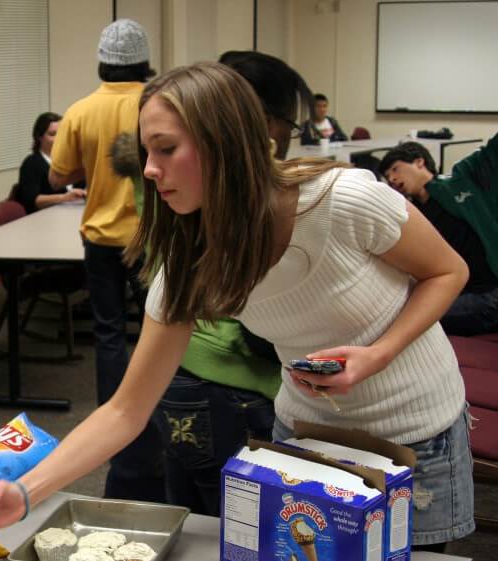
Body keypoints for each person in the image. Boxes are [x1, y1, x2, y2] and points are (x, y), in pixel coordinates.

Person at [0, 63, 498, 561]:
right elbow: (126, 409)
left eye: (166, 149)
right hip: (311, 440)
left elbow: (446, 271)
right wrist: (27, 493)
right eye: (146, 153)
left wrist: (378, 353)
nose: (151, 170)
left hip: (415, 432)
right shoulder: (191, 258)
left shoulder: (342, 200)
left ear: (224, 141)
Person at [141, 51, 311, 516]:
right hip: (228, 380)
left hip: (185, 376)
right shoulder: (224, 199)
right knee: (240, 530)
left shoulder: (191, 186)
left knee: (194, 522)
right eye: (286, 125)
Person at [48, 18, 162, 502]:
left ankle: (112, 415)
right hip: (151, 235)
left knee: (108, 331)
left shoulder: (80, 110)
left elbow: (57, 177)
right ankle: (155, 406)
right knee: (160, 327)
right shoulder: (156, 105)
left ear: (102, 61)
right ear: (143, 60)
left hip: (99, 237)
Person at [379, 138, 498, 336]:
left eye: (395, 169)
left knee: (402, 319)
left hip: (496, 297)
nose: (392, 179)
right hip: (459, 293)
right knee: (389, 312)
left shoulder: (463, 181)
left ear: (419, 162)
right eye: (387, 176)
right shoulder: (412, 215)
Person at [16, 112, 85, 214]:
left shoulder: (70, 159)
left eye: (61, 134)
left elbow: (83, 185)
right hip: (45, 219)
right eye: (52, 134)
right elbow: (32, 200)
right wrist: (64, 197)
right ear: (39, 137)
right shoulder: (31, 164)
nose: (58, 138)